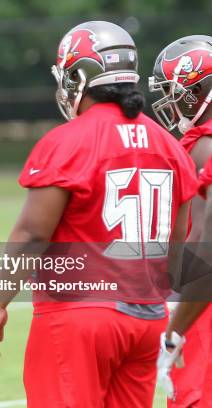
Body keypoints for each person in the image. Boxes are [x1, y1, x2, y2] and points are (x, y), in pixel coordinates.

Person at [0, 21, 199, 407]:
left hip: (79, 317)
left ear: (79, 77)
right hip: (146, 320)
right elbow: (178, 248)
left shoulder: (68, 141)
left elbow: (32, 235)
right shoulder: (171, 145)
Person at [149, 35, 212, 406]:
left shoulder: (203, 143)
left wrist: (174, 329)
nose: (169, 102)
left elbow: (205, 240)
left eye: (173, 91)